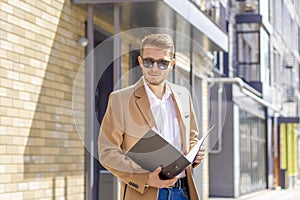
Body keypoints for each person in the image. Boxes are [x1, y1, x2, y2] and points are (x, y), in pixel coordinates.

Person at [98, 33, 205, 200]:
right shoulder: (120, 99)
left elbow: (191, 139)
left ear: (172, 64)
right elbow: (107, 152)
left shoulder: (184, 95)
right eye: (149, 61)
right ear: (140, 62)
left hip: (183, 192)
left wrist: (195, 154)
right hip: (145, 193)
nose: (154, 68)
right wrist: (146, 178)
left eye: (162, 63)